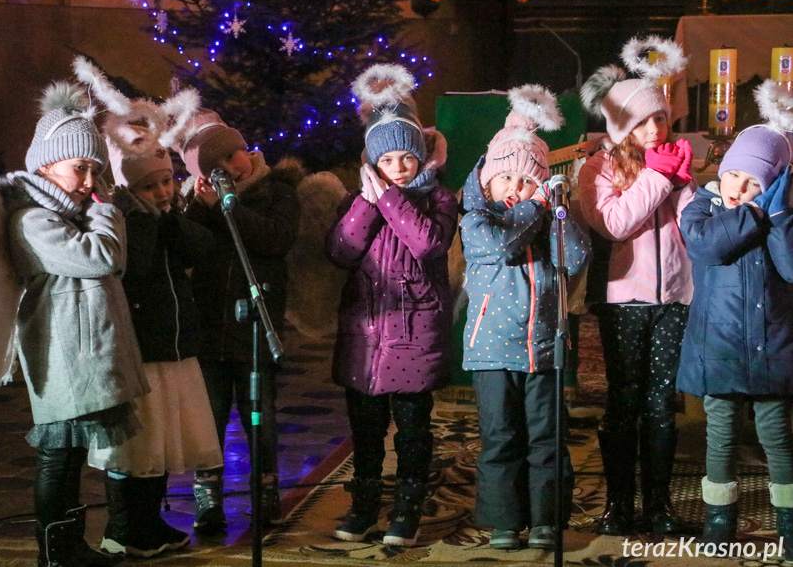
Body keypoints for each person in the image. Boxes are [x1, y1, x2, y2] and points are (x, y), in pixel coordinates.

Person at [0, 81, 151, 567]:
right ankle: (55, 553)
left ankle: (71, 546)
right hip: (63, 355)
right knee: (57, 458)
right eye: (80, 167)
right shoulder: (32, 219)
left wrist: (97, 210)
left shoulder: (69, 213)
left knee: (72, 458)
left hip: (84, 355)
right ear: (45, 165)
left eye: (95, 168)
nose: (88, 178)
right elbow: (102, 258)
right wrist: (105, 211)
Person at [74, 57, 226, 555]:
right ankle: (124, 527)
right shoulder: (126, 222)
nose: (163, 191)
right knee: (136, 445)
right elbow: (132, 270)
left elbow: (200, 250)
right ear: (132, 188)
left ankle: (150, 522)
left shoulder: (166, 219)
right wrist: (147, 221)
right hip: (141, 347)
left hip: (174, 344)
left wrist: (172, 217)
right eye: (152, 185)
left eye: (166, 181)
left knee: (161, 446)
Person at [326, 63, 458, 547]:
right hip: (365, 335)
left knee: (411, 430)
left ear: (421, 156)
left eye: (408, 158)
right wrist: (365, 202)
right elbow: (341, 251)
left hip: (412, 335)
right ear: (372, 164)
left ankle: (407, 505)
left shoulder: (438, 200)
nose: (399, 169)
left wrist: (390, 203)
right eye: (389, 161)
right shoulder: (356, 201)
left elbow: (427, 245)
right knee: (364, 430)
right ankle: (363, 503)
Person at [461, 84, 589, 550]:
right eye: (507, 180)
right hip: (492, 351)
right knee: (501, 438)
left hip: (544, 349)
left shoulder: (545, 219)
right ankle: (504, 520)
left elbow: (575, 257)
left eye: (526, 180)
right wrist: (537, 205)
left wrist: (558, 209)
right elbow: (501, 247)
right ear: (488, 181)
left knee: (547, 439)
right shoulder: (477, 220)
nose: (515, 190)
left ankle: (545, 520)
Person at [578, 35, 694, 536]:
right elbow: (616, 224)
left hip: (674, 297)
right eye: (643, 120)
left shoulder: (673, 165)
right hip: (624, 299)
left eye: (660, 118)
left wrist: (690, 187)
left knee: (661, 403)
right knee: (624, 399)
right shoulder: (597, 168)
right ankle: (619, 503)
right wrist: (659, 178)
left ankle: (660, 503)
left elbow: (691, 230)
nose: (654, 128)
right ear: (622, 126)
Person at [677, 80, 793, 560]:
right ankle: (719, 520)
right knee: (720, 434)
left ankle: (788, 520)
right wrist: (758, 215)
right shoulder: (702, 207)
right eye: (734, 177)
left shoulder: (780, 213)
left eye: (755, 184)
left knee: (777, 436)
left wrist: (780, 212)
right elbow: (707, 245)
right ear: (721, 173)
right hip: (718, 346)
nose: (740, 190)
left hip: (771, 345)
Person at [175, 107, 303, 526]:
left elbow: (275, 239)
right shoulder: (198, 205)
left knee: (259, 414)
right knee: (209, 415)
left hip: (255, 327)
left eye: (234, 156)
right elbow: (188, 250)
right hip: (210, 326)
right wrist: (200, 209)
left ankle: (265, 489)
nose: (232, 167)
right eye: (218, 167)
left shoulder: (278, 190)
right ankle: (207, 495)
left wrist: (225, 209)